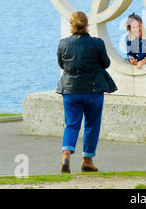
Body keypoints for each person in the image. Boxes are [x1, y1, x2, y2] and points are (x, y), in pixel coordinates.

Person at [56, 11, 117, 173]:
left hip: (70, 90)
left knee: (72, 124)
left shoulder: (63, 44)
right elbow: (106, 63)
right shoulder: (97, 43)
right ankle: (87, 160)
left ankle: (66, 155)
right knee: (92, 124)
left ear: (72, 25)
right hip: (93, 89)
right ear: (87, 25)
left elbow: (62, 65)